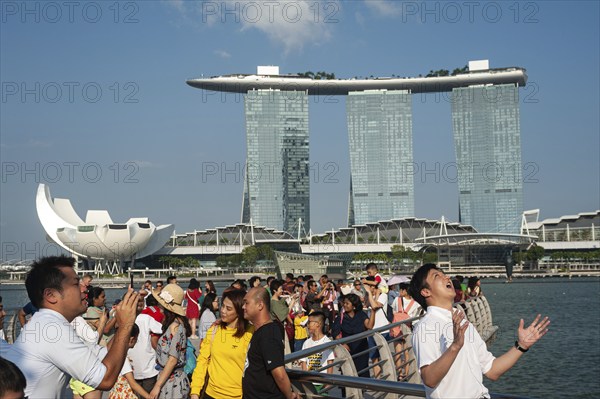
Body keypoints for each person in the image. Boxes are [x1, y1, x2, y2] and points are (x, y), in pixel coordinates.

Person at [1, 255, 139, 399]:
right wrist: (125, 326)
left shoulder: (47, 323)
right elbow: (105, 380)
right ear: (51, 295)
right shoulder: (51, 328)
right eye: (75, 284)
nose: (85, 289)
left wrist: (125, 317)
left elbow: (105, 353)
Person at [409, 264, 550, 399]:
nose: (446, 277)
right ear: (425, 291)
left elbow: (492, 370)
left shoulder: (463, 322)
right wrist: (455, 347)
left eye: (444, 274)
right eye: (436, 276)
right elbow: (429, 379)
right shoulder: (425, 327)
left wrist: (521, 346)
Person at [190, 289, 254, 399]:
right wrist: (195, 391)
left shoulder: (250, 333)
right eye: (222, 306)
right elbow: (202, 361)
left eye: (228, 308)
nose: (223, 311)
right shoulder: (214, 330)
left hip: (238, 395)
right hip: (210, 394)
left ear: (239, 311)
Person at [242, 287, 300, 399]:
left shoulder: (269, 334)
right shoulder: (260, 331)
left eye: (246, 303)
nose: (243, 307)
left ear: (260, 305)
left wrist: (289, 395)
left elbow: (279, 374)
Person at [149, 283, 192, 399]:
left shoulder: (176, 327)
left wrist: (157, 386)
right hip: (167, 378)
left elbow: (172, 360)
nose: (159, 307)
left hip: (172, 381)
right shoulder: (175, 325)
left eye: (161, 304)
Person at [331, 293, 375, 378]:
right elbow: (335, 333)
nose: (344, 305)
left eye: (347, 303)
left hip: (361, 349)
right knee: (347, 373)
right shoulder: (340, 317)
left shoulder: (361, 314)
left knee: (362, 373)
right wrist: (342, 344)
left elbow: (369, 326)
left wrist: (373, 312)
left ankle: (361, 391)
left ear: (354, 306)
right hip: (347, 350)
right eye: (344, 303)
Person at [129, 295, 164, 395]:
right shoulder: (147, 318)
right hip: (148, 367)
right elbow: (160, 329)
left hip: (132, 366)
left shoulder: (124, 319)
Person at [108, 324, 152, 399]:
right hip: (124, 395)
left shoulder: (113, 353)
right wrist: (149, 397)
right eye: (136, 339)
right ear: (131, 339)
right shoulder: (122, 359)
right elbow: (132, 383)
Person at [300, 311, 335, 394]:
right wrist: (305, 379)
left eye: (309, 322)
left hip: (322, 381)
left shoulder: (327, 342)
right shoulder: (306, 342)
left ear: (318, 324)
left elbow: (330, 362)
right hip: (310, 382)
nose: (307, 325)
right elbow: (303, 362)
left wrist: (328, 381)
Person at [363, 276, 389, 378]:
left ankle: (388, 377)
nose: (369, 289)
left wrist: (370, 294)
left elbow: (375, 306)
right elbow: (366, 306)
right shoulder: (369, 296)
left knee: (384, 356)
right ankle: (378, 379)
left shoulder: (383, 296)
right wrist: (369, 295)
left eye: (370, 287)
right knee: (374, 357)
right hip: (372, 330)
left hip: (383, 330)